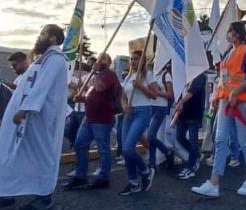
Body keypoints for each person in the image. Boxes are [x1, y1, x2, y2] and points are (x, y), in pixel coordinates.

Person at [0, 25, 69, 210]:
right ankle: (6, 194)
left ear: (54, 39)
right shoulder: (43, 58)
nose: (39, 37)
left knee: (41, 156)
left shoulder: (56, 59)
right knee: (11, 153)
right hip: (26, 118)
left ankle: (43, 196)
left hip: (39, 119)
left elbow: (42, 86)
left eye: (43, 34)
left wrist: (25, 110)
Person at [192, 21, 246, 198]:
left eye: (229, 31)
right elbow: (224, 79)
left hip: (242, 102)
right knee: (220, 140)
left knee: (244, 141)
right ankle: (214, 183)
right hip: (226, 102)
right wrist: (217, 97)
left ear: (236, 33)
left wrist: (236, 92)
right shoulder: (228, 52)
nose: (227, 34)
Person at [64, 53, 119, 190]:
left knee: (103, 149)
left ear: (109, 62)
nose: (100, 60)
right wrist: (80, 99)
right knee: (80, 144)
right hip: (88, 118)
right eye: (100, 58)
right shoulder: (94, 76)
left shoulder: (110, 75)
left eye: (104, 58)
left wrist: (95, 72)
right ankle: (81, 176)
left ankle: (103, 178)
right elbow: (91, 96)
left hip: (103, 119)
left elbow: (100, 88)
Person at [119, 50, 158, 195]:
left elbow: (154, 95)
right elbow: (123, 97)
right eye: (131, 59)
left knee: (129, 148)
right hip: (129, 113)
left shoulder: (148, 75)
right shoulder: (128, 76)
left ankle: (146, 171)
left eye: (136, 59)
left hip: (142, 112)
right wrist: (124, 106)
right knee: (125, 149)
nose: (132, 61)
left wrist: (141, 87)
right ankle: (133, 182)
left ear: (142, 61)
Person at [175, 72, 207, 180]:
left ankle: (191, 167)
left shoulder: (200, 75)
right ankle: (196, 155)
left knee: (193, 140)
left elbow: (193, 90)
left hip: (194, 113)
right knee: (179, 137)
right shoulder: (186, 75)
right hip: (183, 113)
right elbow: (181, 91)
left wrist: (181, 101)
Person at [147, 63, 174, 169]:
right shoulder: (152, 75)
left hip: (160, 108)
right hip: (150, 107)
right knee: (151, 137)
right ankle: (152, 161)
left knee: (150, 136)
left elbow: (170, 94)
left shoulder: (166, 75)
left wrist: (157, 92)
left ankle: (167, 152)